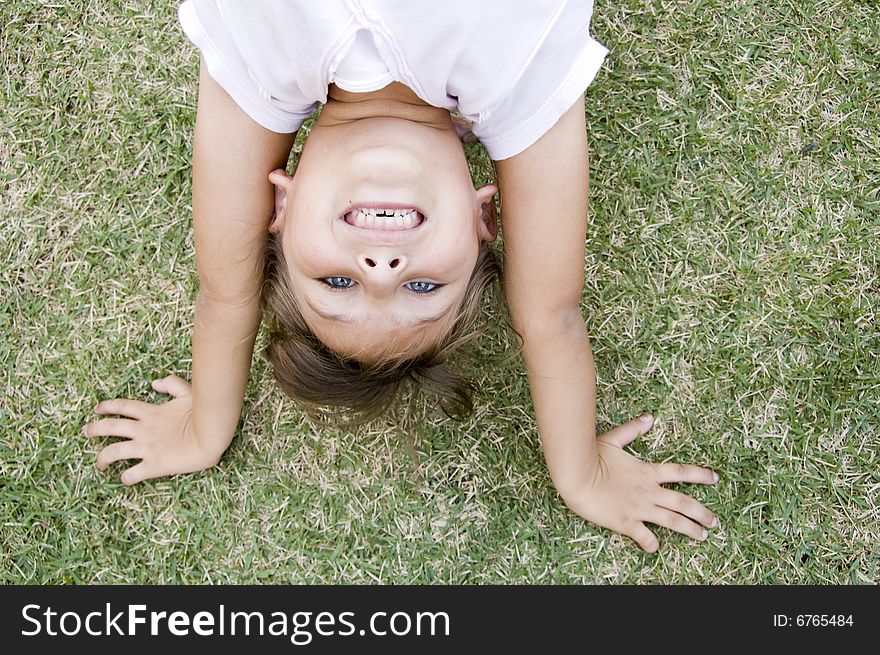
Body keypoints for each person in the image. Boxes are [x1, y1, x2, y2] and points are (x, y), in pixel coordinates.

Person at [83, 0, 719, 552]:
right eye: (422, 289)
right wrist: (581, 476)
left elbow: (226, 290)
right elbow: (549, 316)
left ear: (281, 205)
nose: (381, 270)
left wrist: (206, 429)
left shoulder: (261, 63)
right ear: (485, 217)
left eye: (336, 285)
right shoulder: (519, 76)